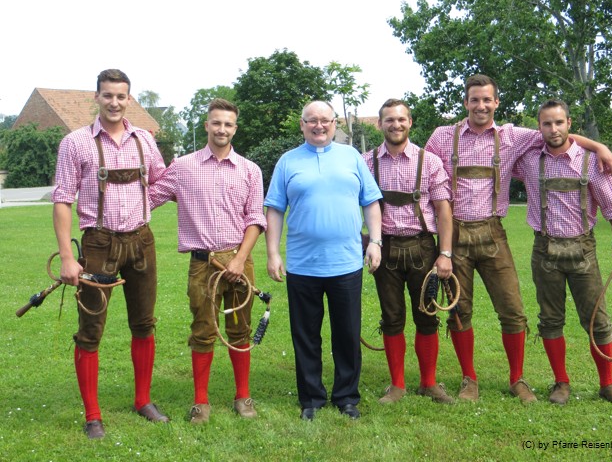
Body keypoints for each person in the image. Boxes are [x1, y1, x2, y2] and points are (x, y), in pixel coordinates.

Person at [426, 74, 612, 403]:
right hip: (454, 235)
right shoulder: (442, 136)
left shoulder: (513, 136)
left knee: (513, 310)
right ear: (466, 102)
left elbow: (556, 135)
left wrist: (599, 146)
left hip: (493, 232)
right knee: (459, 311)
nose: (481, 105)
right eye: (475, 99)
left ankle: (517, 379)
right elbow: (424, 173)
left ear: (496, 102)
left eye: (487, 99)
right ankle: (469, 379)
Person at [51, 69, 168, 439]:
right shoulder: (75, 143)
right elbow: (62, 199)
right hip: (98, 245)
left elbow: (163, 181)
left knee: (144, 324)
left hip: (142, 241)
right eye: (107, 95)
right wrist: (67, 257)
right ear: (96, 97)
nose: (114, 103)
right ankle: (93, 415)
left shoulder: (144, 140)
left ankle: (143, 400)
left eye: (121, 96)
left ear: (129, 99)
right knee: (90, 331)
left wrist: (143, 206)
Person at [149, 98, 267, 423]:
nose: (222, 129)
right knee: (203, 330)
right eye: (216, 123)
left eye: (228, 124)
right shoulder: (183, 167)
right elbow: (150, 198)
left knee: (240, 329)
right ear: (206, 125)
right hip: (203, 264)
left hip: (239, 261)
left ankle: (243, 396)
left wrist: (240, 259)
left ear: (235, 129)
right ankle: (201, 402)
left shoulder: (250, 170)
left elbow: (255, 218)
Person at [264, 100, 382, 420]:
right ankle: (312, 399)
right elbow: (274, 209)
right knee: (305, 336)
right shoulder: (288, 162)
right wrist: (273, 253)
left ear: (335, 123)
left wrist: (375, 242)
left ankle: (346, 397)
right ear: (302, 125)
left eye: (325, 120)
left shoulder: (352, 157)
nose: (319, 126)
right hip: (303, 265)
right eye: (312, 120)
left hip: (346, 263)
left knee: (347, 334)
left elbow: (371, 202)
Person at [513, 99, 612, 405]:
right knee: (550, 319)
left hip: (583, 249)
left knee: (597, 320)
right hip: (544, 250)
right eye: (547, 123)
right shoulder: (528, 159)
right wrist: (599, 144)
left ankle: (608, 384)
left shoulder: (591, 161)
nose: (553, 129)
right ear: (539, 127)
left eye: (559, 122)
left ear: (569, 124)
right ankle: (561, 383)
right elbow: (498, 154)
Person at [362, 99, 455, 405]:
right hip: (385, 248)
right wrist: (364, 240)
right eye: (389, 119)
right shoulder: (365, 162)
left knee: (427, 316)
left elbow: (443, 210)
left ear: (410, 122)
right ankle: (397, 385)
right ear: (380, 124)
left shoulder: (429, 161)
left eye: (401, 119)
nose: (396, 124)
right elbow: (350, 203)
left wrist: (445, 253)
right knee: (391, 318)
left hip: (422, 248)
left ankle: (429, 383)